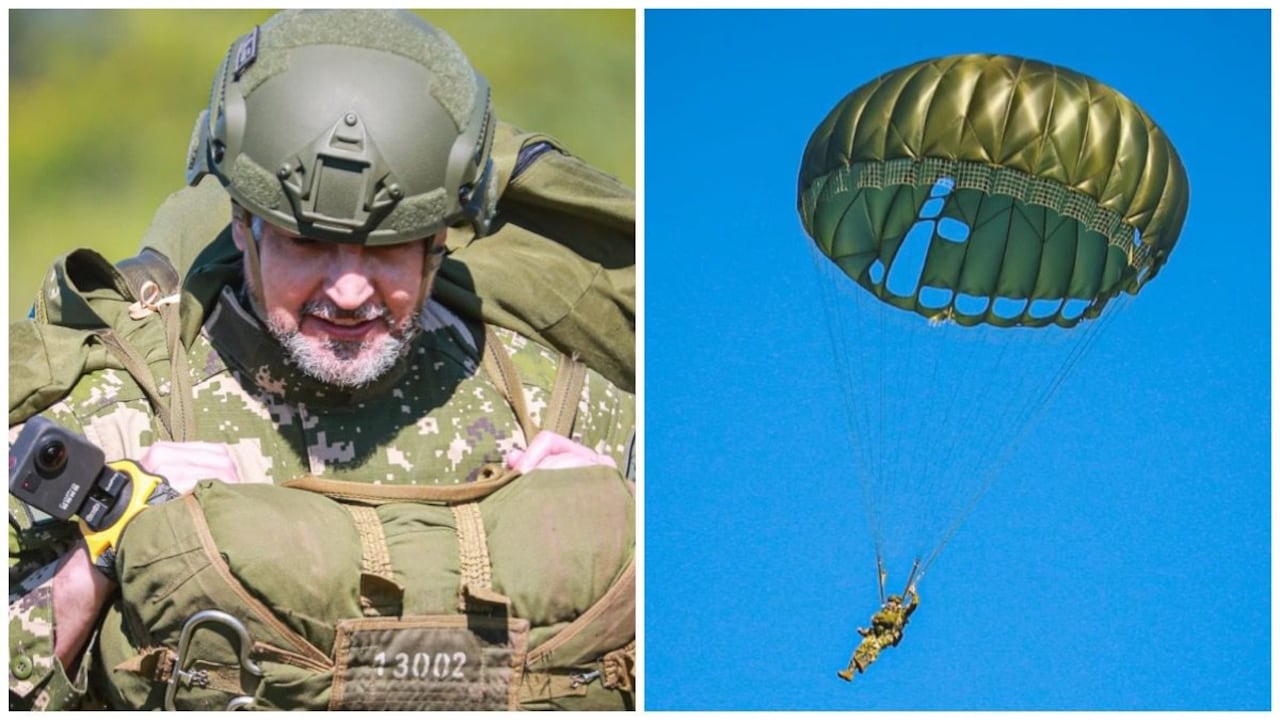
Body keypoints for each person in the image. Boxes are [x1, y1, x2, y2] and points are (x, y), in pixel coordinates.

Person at [9, 10, 635, 711]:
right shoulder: (125, 420)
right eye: (306, 243)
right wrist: (106, 544)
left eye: (387, 248)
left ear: (438, 242)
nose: (348, 291)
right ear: (242, 226)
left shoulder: (561, 408)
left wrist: (626, 529)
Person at [837, 589, 918, 681]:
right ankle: (850, 672)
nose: (889, 604)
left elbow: (913, 605)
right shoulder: (883, 613)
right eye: (889, 602)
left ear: (896, 604)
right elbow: (876, 627)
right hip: (876, 634)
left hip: (889, 635)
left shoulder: (901, 613)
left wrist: (913, 593)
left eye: (892, 602)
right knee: (863, 646)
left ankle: (864, 662)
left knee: (876, 645)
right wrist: (864, 631)